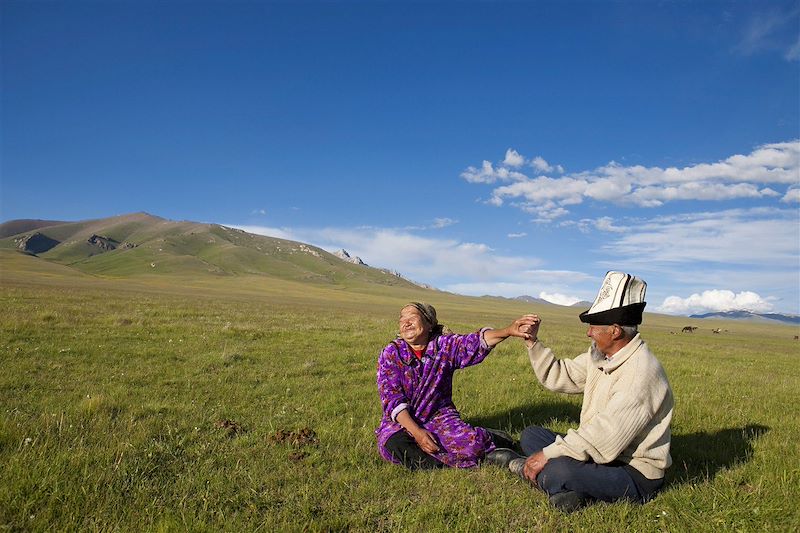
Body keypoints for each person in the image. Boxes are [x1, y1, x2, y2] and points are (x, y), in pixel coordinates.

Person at [489, 271, 674, 512]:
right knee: (531, 435)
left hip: (632, 471)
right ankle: (576, 491)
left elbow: (606, 434)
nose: (588, 333)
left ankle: (525, 468)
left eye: (593, 326)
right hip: (599, 454)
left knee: (559, 469)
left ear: (615, 331)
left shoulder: (641, 374)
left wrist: (547, 455)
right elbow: (561, 375)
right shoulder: (603, 357)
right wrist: (532, 343)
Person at [375, 302, 537, 470]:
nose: (406, 322)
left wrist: (508, 331)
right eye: (402, 319)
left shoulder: (444, 346)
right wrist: (417, 433)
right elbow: (392, 399)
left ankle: (493, 439)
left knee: (472, 445)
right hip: (401, 422)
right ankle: (476, 458)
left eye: (412, 317)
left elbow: (475, 342)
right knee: (396, 446)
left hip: (439, 418)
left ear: (429, 324)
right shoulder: (391, 353)